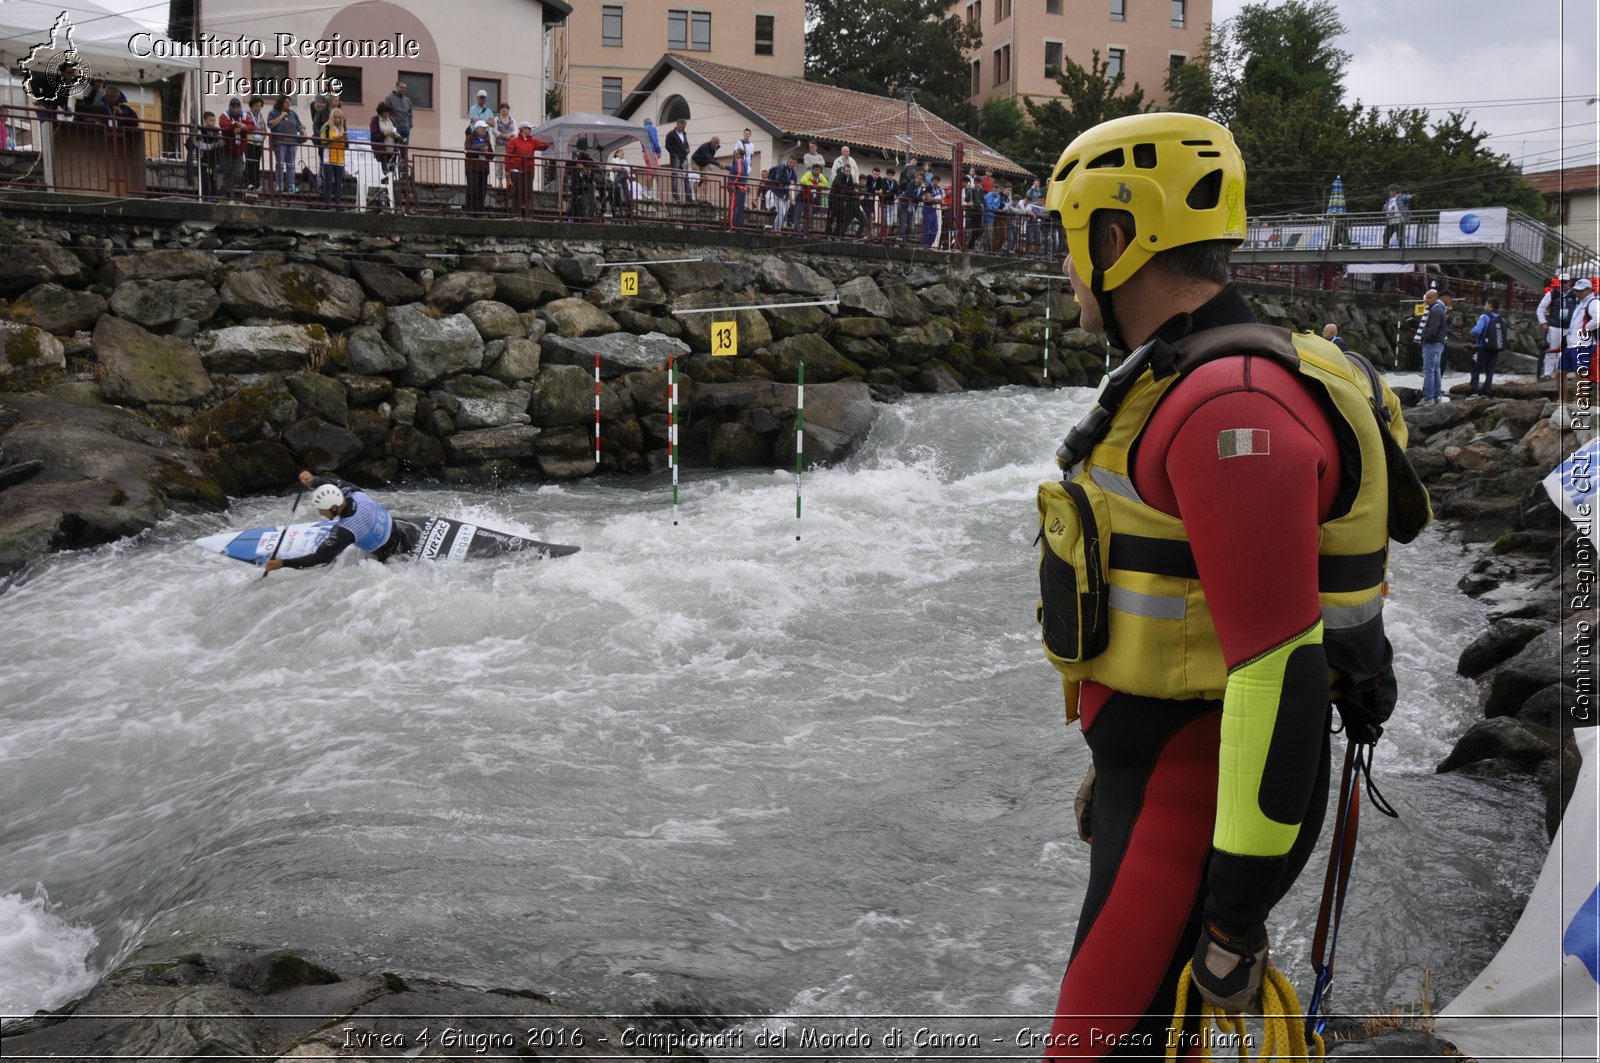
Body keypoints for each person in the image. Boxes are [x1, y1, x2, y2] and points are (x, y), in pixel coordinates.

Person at [1037, 111, 1422, 1056]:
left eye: (1071, 237)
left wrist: (1235, 918)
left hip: (1194, 811)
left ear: (1119, 238)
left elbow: (1278, 671)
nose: (1066, 266)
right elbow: (1193, 625)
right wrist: (1109, 758)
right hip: (1165, 782)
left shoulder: (1229, 407)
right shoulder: (1190, 380)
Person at [263, 471, 416, 570]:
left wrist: (283, 563)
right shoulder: (355, 493)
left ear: (335, 507)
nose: (320, 513)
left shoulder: (345, 530)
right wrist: (313, 481)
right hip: (403, 530)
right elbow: (333, 484)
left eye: (322, 509)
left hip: (392, 555)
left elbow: (320, 560)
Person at [1559, 278, 1598, 418]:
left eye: (1580, 291)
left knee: (1580, 375)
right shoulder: (1580, 303)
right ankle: (1562, 402)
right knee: (1560, 372)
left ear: (1588, 290)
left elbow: (1598, 319)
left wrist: (1585, 328)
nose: (1577, 293)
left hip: (1584, 343)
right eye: (1576, 291)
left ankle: (1581, 402)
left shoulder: (1594, 303)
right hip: (1572, 343)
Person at [505, 121, 549, 216]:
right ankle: (516, 215)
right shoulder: (514, 141)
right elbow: (508, 156)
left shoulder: (532, 141)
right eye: (528, 128)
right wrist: (507, 169)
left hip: (528, 171)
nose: (530, 130)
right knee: (517, 194)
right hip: (516, 171)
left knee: (528, 194)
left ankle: (528, 215)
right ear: (523, 129)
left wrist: (544, 142)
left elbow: (545, 146)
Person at [1537, 274, 1576, 381]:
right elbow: (1541, 308)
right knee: (1551, 350)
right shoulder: (1552, 294)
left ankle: (1563, 373)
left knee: (1566, 351)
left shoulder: (1574, 295)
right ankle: (1547, 373)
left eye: (1565, 281)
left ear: (1570, 282)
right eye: (1561, 282)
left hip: (1569, 328)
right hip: (1555, 326)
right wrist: (1543, 322)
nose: (1563, 284)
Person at [1414, 288, 1449, 404]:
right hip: (1439, 344)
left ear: (1435, 297)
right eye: (1426, 297)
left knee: (1429, 371)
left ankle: (1428, 398)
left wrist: (1425, 339)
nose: (1426, 300)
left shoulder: (1436, 311)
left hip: (1432, 344)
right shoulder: (1440, 310)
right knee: (1436, 371)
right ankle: (1436, 396)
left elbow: (1433, 329)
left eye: (1429, 297)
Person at [1467, 298, 1507, 398]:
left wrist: (1471, 332)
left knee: (1475, 369)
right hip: (1495, 348)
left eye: (1486, 303)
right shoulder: (1502, 319)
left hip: (1481, 347)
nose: (1484, 305)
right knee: (1490, 370)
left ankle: (1474, 392)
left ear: (1490, 305)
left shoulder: (1485, 316)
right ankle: (1486, 393)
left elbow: (1476, 331)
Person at [267, 94, 304, 194]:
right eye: (286, 102)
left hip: (292, 142)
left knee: (291, 164)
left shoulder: (292, 113)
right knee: (280, 164)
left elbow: (299, 125)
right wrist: (281, 116)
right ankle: (279, 185)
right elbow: (270, 124)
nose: (288, 104)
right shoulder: (274, 113)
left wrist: (303, 131)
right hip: (280, 142)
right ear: (281, 103)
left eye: (289, 102)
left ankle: (291, 185)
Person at [217, 96, 253, 198]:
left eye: (238, 107)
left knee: (238, 174)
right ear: (230, 107)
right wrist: (237, 125)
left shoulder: (245, 116)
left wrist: (243, 128)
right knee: (227, 172)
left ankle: (224, 188)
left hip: (239, 150)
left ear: (240, 107)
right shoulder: (224, 115)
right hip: (227, 149)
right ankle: (229, 192)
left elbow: (251, 127)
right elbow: (224, 125)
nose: (236, 110)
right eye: (233, 107)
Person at [319, 108, 348, 206]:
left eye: (340, 118)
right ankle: (327, 204)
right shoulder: (326, 127)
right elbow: (323, 141)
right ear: (332, 117)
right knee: (328, 183)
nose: (338, 120)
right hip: (329, 158)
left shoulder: (342, 129)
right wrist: (336, 138)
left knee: (339, 184)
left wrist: (345, 139)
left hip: (340, 158)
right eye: (336, 117)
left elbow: (346, 145)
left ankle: (338, 204)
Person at [190, 110, 221, 201]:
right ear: (205, 121)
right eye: (211, 120)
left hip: (213, 161)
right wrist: (212, 146)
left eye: (214, 120)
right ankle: (206, 196)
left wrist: (219, 142)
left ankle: (214, 196)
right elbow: (199, 145)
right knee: (206, 179)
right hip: (205, 161)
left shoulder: (216, 132)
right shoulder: (201, 132)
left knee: (213, 178)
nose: (213, 123)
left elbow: (221, 143)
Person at [464, 119, 493, 213]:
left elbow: (492, 155)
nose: (485, 130)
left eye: (485, 128)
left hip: (483, 169)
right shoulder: (470, 138)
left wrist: (486, 151)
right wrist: (481, 150)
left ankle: (480, 211)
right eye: (483, 128)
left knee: (482, 191)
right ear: (477, 128)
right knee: (472, 190)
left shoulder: (487, 140)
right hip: (473, 168)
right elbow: (468, 151)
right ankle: (471, 211)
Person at [768, 153, 797, 232]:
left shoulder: (792, 170)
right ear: (788, 161)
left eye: (794, 163)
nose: (792, 164)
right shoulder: (781, 167)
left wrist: (786, 182)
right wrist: (788, 182)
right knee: (781, 212)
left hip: (785, 193)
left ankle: (777, 228)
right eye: (791, 162)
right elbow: (778, 178)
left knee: (783, 213)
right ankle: (776, 229)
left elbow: (795, 180)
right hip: (777, 192)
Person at [798, 161, 828, 236]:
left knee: (810, 216)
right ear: (812, 170)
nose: (817, 172)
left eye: (818, 170)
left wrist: (819, 184)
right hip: (802, 197)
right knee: (798, 216)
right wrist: (812, 184)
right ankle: (797, 233)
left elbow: (826, 183)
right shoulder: (808, 174)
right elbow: (802, 180)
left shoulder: (820, 176)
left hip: (810, 199)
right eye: (815, 170)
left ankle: (805, 233)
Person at [665, 118, 690, 202]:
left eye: (684, 127)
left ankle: (689, 197)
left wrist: (687, 149)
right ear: (678, 125)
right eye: (682, 126)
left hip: (684, 157)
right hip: (675, 158)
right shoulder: (671, 134)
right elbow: (667, 145)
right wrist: (673, 154)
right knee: (675, 176)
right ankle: (676, 196)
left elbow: (686, 144)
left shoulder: (684, 134)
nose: (683, 128)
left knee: (686, 177)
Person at [726, 145, 751, 229]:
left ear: (739, 155)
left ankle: (732, 226)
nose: (734, 155)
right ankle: (738, 227)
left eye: (736, 153)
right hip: (742, 188)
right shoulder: (745, 162)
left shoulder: (739, 161)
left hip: (737, 188)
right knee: (739, 208)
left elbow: (739, 172)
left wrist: (733, 184)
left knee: (733, 207)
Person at [690, 135, 721, 202]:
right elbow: (709, 159)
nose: (716, 145)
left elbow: (711, 157)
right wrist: (719, 164)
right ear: (711, 142)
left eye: (717, 143)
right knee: (696, 179)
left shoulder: (717, 147)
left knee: (706, 179)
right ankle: (695, 198)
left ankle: (705, 198)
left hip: (704, 163)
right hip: (695, 162)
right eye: (715, 143)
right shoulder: (705, 147)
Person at [1381, 184, 1411, 249]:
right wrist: (1384, 208)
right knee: (1386, 236)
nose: (1390, 192)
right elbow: (1386, 210)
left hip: (1399, 221)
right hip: (1390, 221)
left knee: (1400, 236)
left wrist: (1412, 196)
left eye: (1390, 191)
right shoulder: (1389, 199)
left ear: (1394, 191)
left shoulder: (1400, 197)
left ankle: (1402, 250)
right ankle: (1385, 250)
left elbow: (1407, 198)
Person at [641, 117, 662, 191]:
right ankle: (648, 192)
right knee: (652, 172)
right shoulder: (651, 128)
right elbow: (654, 139)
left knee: (650, 171)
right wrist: (658, 151)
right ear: (651, 122)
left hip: (645, 152)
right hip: (651, 152)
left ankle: (645, 189)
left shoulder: (643, 129)